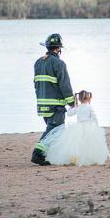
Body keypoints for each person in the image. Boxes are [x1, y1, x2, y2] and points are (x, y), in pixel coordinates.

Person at [31, 33, 76, 166]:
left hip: (42, 105)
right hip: (55, 106)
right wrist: (72, 102)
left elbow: (36, 84)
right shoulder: (59, 63)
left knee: (57, 132)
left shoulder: (38, 62)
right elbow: (64, 85)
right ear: (58, 49)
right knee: (54, 130)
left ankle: (52, 155)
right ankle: (37, 154)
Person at [42, 90, 110, 166]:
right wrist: (96, 126)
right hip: (88, 127)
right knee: (88, 144)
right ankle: (89, 158)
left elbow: (69, 114)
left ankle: (74, 159)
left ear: (79, 99)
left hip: (78, 127)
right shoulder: (90, 107)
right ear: (88, 98)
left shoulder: (78, 107)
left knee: (75, 144)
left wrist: (72, 106)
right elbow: (94, 117)